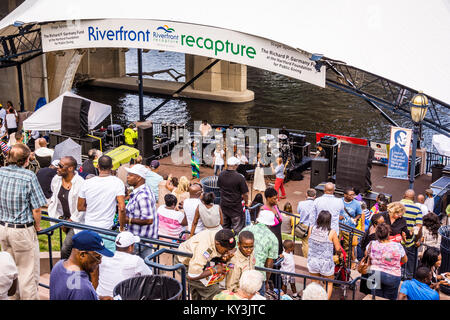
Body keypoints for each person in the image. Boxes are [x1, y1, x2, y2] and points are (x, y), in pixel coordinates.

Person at [0, 144, 47, 300]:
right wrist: (38, 226)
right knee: (27, 275)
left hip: (3, 228)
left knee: (10, 270)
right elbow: (37, 209)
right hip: (21, 230)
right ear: (26, 160)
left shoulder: (0, 172)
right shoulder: (29, 176)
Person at [77, 155, 126, 252]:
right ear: (112, 166)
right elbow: (122, 208)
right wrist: (121, 227)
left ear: (97, 166)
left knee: (90, 260)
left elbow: (80, 207)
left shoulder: (87, 183)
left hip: (89, 228)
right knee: (108, 262)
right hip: (106, 230)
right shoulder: (117, 182)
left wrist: (92, 207)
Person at [49, 230, 114, 300]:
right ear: (82, 255)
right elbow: (79, 292)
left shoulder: (58, 266)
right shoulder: (83, 288)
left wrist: (97, 298)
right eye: (97, 257)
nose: (100, 262)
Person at [176, 228, 236, 300]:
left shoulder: (221, 235)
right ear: (217, 243)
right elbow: (192, 276)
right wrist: (214, 270)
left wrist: (222, 257)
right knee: (214, 291)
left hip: (195, 263)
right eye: (226, 250)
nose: (228, 252)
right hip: (184, 264)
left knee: (197, 292)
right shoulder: (204, 250)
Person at [47, 156, 85, 260]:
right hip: (64, 220)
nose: (57, 167)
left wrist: (70, 221)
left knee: (65, 249)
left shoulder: (80, 183)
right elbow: (55, 201)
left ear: (70, 168)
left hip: (77, 222)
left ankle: (63, 271)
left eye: (60, 166)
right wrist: (60, 219)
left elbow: (81, 207)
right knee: (74, 250)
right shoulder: (56, 180)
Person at [94, 231, 152, 298]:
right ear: (130, 247)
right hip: (119, 297)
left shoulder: (105, 257)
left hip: (100, 296)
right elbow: (150, 278)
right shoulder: (136, 260)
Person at [240, 210, 278, 297]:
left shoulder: (246, 229)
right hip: (258, 275)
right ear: (270, 224)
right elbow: (269, 263)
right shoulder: (273, 238)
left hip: (242, 271)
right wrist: (266, 281)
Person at [307, 210, 342, 300]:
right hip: (326, 263)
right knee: (328, 283)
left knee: (315, 284)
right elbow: (338, 248)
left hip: (313, 260)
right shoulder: (332, 232)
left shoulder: (311, 228)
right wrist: (339, 254)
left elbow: (309, 241)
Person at [124, 164, 157, 258]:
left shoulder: (143, 196)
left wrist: (127, 220)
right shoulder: (140, 191)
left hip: (140, 241)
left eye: (130, 175)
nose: (127, 177)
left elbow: (148, 220)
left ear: (138, 178)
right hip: (142, 240)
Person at [366, 223, 407, 300]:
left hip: (374, 273)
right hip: (392, 275)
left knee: (375, 297)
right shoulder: (397, 246)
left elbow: (367, 255)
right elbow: (405, 259)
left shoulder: (371, 244)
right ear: (388, 233)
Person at [218, 156, 249, 234]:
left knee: (224, 228)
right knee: (238, 230)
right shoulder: (239, 177)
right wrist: (246, 203)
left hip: (224, 206)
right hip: (236, 209)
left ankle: (225, 243)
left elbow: (220, 187)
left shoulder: (221, 174)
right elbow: (245, 194)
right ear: (235, 165)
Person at [400, 189, 423, 280]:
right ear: (413, 198)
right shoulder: (417, 209)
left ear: (404, 195)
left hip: (397, 240)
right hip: (410, 242)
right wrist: (417, 239)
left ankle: (399, 275)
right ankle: (408, 278)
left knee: (397, 260)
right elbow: (418, 227)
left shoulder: (397, 205)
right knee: (410, 262)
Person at [339, 187, 363, 265]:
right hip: (339, 227)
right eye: (350, 195)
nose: (352, 196)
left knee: (348, 247)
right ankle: (337, 260)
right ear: (345, 195)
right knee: (336, 244)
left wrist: (356, 218)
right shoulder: (339, 201)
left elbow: (359, 214)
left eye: (353, 195)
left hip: (349, 228)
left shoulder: (356, 203)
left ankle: (346, 264)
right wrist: (338, 216)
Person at [262, 187, 283, 255]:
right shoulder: (264, 211)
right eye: (274, 199)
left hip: (278, 239)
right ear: (268, 198)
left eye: (277, 198)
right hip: (271, 243)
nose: (276, 200)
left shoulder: (275, 206)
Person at [296, 188, 316, 258]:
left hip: (304, 226)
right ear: (314, 196)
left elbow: (298, 211)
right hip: (314, 226)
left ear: (306, 195)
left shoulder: (301, 203)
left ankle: (306, 260)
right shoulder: (316, 204)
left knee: (305, 244)